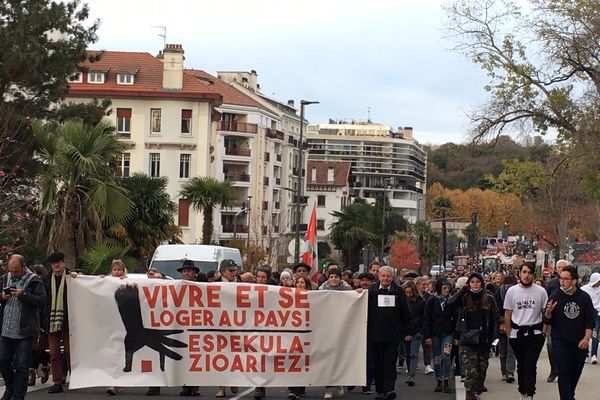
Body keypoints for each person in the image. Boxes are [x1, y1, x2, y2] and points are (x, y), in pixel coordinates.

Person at [543, 265, 597, 400]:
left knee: (575, 371)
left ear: (574, 281)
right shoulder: (555, 296)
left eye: (566, 279)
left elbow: (590, 320)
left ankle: (569, 395)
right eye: (561, 278)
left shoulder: (584, 297)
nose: (562, 281)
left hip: (579, 341)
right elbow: (547, 320)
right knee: (564, 371)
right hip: (560, 340)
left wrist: (586, 338)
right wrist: (549, 312)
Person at [0, 255, 46, 400]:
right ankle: (10, 387)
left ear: (24, 266)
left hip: (24, 330)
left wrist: (23, 295)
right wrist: (2, 296)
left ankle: (18, 394)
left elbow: (42, 301)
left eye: (17, 271)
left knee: (21, 365)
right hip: (6, 328)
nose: (13, 274)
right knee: (2, 359)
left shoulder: (34, 280)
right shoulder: (5, 278)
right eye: (11, 271)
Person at [449, 273, 499, 400]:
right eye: (472, 282)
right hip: (467, 341)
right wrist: (462, 290)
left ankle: (476, 394)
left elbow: (495, 318)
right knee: (471, 373)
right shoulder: (464, 298)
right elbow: (450, 303)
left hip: (483, 341)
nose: (475, 284)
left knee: (481, 373)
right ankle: (469, 396)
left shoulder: (489, 298)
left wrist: (494, 338)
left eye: (478, 281)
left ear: (482, 283)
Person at [367, 266, 413, 400]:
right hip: (375, 334)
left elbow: (406, 312)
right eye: (383, 276)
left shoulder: (398, 292)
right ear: (379, 277)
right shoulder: (371, 291)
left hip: (392, 334)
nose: (385, 278)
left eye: (388, 276)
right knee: (377, 363)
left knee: (389, 362)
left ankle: (389, 390)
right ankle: (380, 390)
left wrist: (408, 330)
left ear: (392, 277)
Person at [504, 262, 548, 400]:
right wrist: (509, 334)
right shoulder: (512, 291)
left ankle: (530, 393)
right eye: (524, 272)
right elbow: (507, 314)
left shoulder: (541, 291)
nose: (526, 275)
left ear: (533, 275)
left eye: (529, 273)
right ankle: (523, 390)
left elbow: (545, 314)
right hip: (517, 334)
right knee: (522, 365)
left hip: (534, 334)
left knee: (530, 365)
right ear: (519, 273)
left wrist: (544, 333)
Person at [44, 252, 71, 394]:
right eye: (54, 263)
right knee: (53, 353)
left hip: (68, 320)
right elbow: (43, 302)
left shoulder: (72, 278)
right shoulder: (46, 280)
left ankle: (77, 377)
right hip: (52, 321)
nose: (56, 265)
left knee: (69, 351)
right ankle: (57, 382)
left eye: (59, 262)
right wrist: (43, 321)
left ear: (63, 263)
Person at [423, 278, 456, 393]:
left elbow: (456, 318)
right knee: (437, 358)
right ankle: (439, 379)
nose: (447, 290)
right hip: (435, 333)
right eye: (444, 288)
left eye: (448, 288)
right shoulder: (432, 300)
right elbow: (426, 318)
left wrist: (456, 335)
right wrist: (427, 335)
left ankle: (446, 379)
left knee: (446, 356)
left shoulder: (451, 300)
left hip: (448, 333)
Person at [216, 259, 240, 398]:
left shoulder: (241, 284)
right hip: (221, 325)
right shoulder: (215, 285)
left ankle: (234, 380)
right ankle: (221, 386)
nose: (233, 273)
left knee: (236, 355)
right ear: (223, 271)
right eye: (230, 270)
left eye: (234, 270)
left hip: (237, 325)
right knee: (221, 356)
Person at [177, 259, 200, 397]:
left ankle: (195, 386)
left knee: (196, 358)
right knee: (184, 358)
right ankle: (185, 384)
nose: (186, 273)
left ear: (194, 273)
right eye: (184, 271)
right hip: (182, 326)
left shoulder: (202, 286)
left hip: (197, 325)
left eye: (189, 271)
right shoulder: (175, 286)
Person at [545, 259, 568, 383]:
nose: (562, 270)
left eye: (564, 267)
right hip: (553, 319)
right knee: (550, 345)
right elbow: (546, 300)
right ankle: (554, 370)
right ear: (556, 269)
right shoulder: (552, 283)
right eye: (559, 268)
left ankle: (563, 371)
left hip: (567, 320)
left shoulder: (573, 284)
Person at [28, 265, 50, 387]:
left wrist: (43, 323)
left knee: (40, 348)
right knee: (31, 348)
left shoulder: (45, 287)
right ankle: (31, 372)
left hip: (41, 321)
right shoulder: (29, 286)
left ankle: (44, 367)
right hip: (30, 321)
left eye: (39, 274)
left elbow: (44, 306)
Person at [495, 274, 517, 384]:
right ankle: (503, 371)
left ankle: (510, 372)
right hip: (501, 324)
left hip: (513, 324)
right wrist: (501, 319)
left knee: (511, 349)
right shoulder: (499, 292)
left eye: (511, 286)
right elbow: (495, 308)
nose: (508, 288)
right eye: (507, 285)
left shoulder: (517, 293)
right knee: (503, 350)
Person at [403, 281, 425, 387]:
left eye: (410, 293)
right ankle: (410, 373)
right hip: (406, 331)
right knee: (408, 354)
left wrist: (419, 331)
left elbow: (422, 317)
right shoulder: (403, 302)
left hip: (416, 331)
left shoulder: (420, 302)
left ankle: (411, 375)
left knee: (413, 354)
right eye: (406, 293)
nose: (408, 295)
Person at [581, 272, 600, 365]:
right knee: (584, 334)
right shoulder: (584, 289)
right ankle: (585, 354)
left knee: (595, 334)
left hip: (597, 314)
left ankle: (594, 355)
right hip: (586, 314)